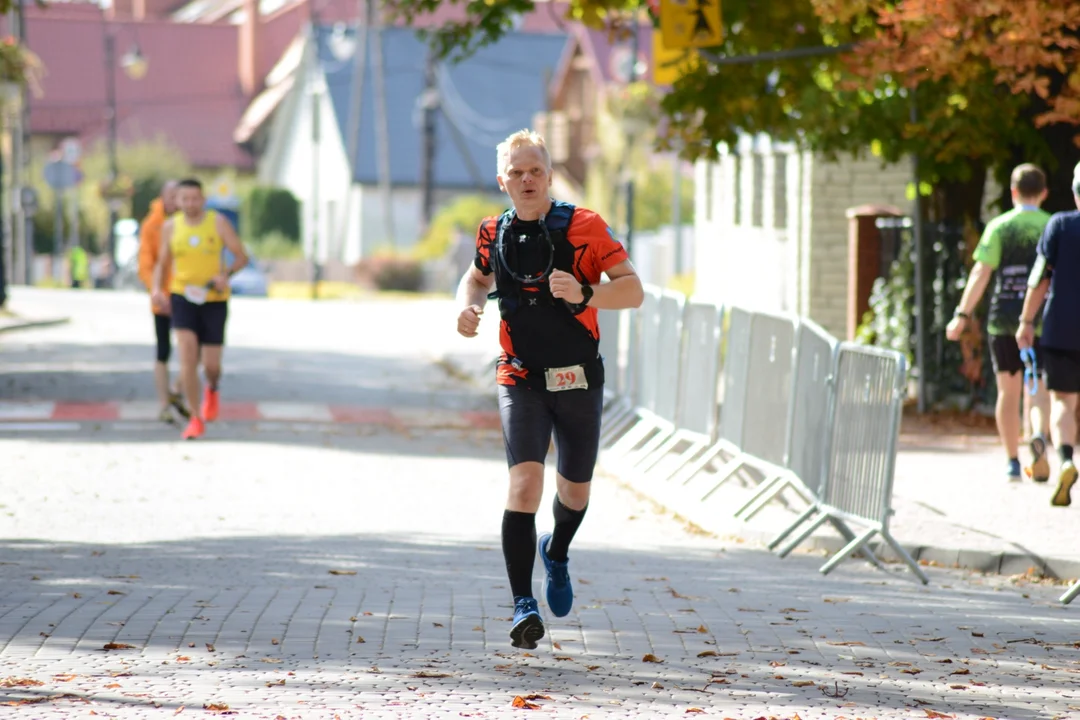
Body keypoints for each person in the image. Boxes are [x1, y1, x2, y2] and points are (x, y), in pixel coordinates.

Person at [456, 129, 644, 649]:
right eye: (516, 172)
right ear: (502, 181)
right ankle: (522, 605)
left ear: (549, 175)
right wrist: (466, 305)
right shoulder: (491, 232)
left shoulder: (585, 226)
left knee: (574, 491)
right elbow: (473, 279)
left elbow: (634, 291)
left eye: (535, 170)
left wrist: (587, 292)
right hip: (519, 376)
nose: (526, 180)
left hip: (579, 377)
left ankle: (556, 551)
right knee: (523, 486)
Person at [946, 164, 1052, 482]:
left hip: (1003, 320)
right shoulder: (1051, 226)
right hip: (1042, 320)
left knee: (1008, 391)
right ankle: (1039, 443)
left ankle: (1012, 461)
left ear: (1013, 192)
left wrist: (962, 315)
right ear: (1044, 193)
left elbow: (980, 274)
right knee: (1039, 389)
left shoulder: (999, 226)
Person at [151, 178, 248, 441]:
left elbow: (241, 256)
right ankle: (195, 418)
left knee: (211, 365)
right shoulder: (170, 227)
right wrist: (157, 289)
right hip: (182, 295)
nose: (191, 204)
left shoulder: (217, 222)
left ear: (203, 200)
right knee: (187, 355)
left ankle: (213, 388)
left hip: (214, 298)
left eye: (195, 198)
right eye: (185, 199)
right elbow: (162, 262)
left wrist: (225, 274)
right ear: (177, 201)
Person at [1016, 160, 1080, 507]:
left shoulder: (1059, 225)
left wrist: (1026, 322)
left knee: (1062, 403)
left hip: (1063, 329)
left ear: (1074, 192)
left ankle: (1067, 460)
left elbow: (1040, 279)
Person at [138, 180, 189, 425]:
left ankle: (177, 391)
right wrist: (156, 290)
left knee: (192, 349)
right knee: (163, 351)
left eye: (177, 195)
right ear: (162, 196)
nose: (173, 200)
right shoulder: (152, 225)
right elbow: (146, 263)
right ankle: (164, 404)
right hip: (162, 297)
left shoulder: (188, 223)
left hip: (186, 296)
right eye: (170, 195)